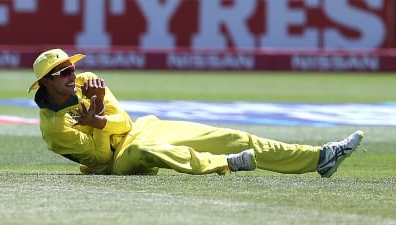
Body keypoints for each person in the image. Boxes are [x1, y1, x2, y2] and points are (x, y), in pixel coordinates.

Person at [28, 48, 364, 177]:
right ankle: (226, 164)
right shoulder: (55, 130)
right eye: (63, 73)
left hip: (143, 128)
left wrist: (98, 113)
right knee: (145, 151)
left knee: (233, 136)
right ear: (45, 83)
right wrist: (100, 123)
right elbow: (102, 157)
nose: (73, 75)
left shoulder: (89, 82)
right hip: (117, 163)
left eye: (71, 68)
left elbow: (124, 122)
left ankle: (319, 158)